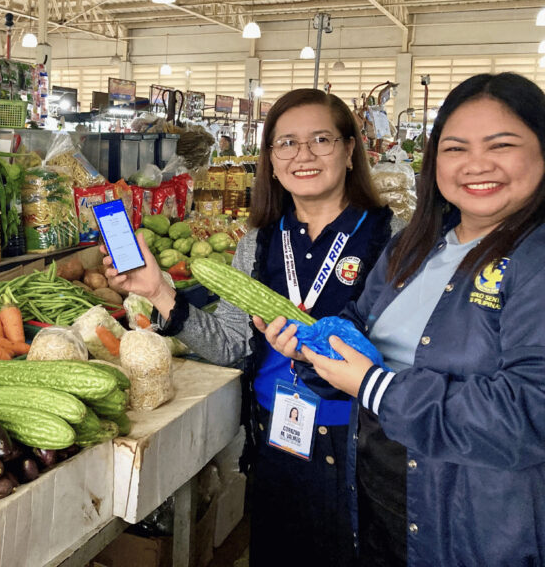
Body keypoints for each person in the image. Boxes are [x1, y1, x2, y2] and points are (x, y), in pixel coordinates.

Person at [103, 89, 398, 567]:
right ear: (271, 160)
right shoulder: (259, 242)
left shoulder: (394, 238)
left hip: (358, 447)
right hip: (274, 439)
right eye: (286, 143)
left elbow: (407, 359)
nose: (303, 155)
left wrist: (328, 356)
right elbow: (231, 346)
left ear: (349, 150)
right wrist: (160, 293)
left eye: (320, 139)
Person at [260, 72, 545, 566]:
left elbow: (528, 412)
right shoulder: (413, 247)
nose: (477, 164)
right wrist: (311, 351)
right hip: (378, 500)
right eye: (455, 149)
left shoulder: (534, 260)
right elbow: (355, 330)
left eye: (501, 145)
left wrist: (375, 386)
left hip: (471, 525)